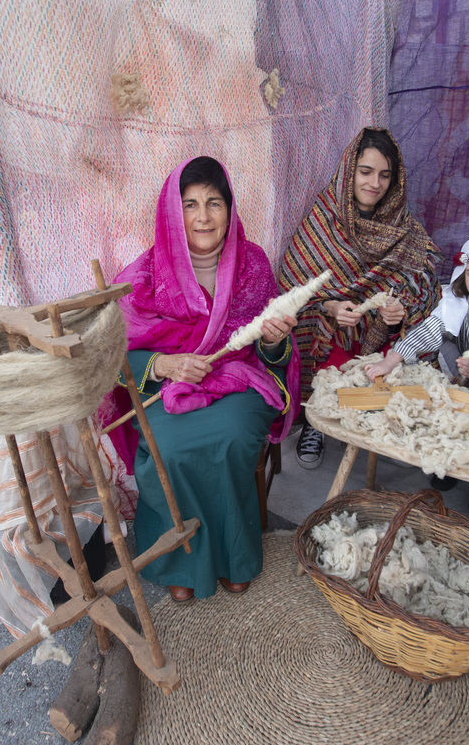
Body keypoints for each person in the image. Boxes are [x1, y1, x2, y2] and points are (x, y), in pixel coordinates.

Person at [104, 156, 299, 603]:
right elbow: (110, 355)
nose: (204, 216)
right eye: (190, 204)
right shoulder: (144, 276)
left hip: (240, 382)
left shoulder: (252, 264)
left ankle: (233, 555)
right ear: (173, 212)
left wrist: (271, 341)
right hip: (166, 391)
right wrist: (164, 365)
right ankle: (181, 558)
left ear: (230, 209)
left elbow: (272, 356)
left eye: (214, 202)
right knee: (169, 448)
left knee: (231, 438)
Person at [278, 127, 441, 468]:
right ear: (349, 172)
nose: (375, 184)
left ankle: (391, 420)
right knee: (315, 333)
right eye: (365, 172)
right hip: (334, 334)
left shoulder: (403, 227)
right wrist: (331, 306)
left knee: (413, 345)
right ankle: (315, 418)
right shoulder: (324, 218)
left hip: (380, 336)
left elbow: (425, 285)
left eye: (385, 175)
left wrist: (401, 309)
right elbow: (295, 290)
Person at [364, 233, 469, 494]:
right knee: (447, 395)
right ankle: (450, 461)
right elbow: (425, 333)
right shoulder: (457, 306)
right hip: (464, 379)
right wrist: (390, 361)